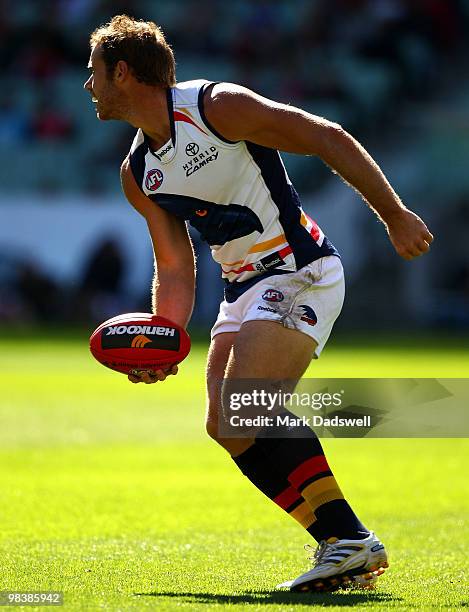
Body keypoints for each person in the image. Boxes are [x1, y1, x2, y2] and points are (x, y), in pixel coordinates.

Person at [84, 15, 433, 593]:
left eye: (94, 73)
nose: (87, 85)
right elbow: (174, 263)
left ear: (122, 72)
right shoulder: (137, 172)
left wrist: (394, 214)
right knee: (228, 426)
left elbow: (327, 136)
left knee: (250, 404)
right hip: (243, 288)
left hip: (300, 270)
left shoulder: (215, 106)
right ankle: (340, 544)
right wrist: (163, 339)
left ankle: (348, 538)